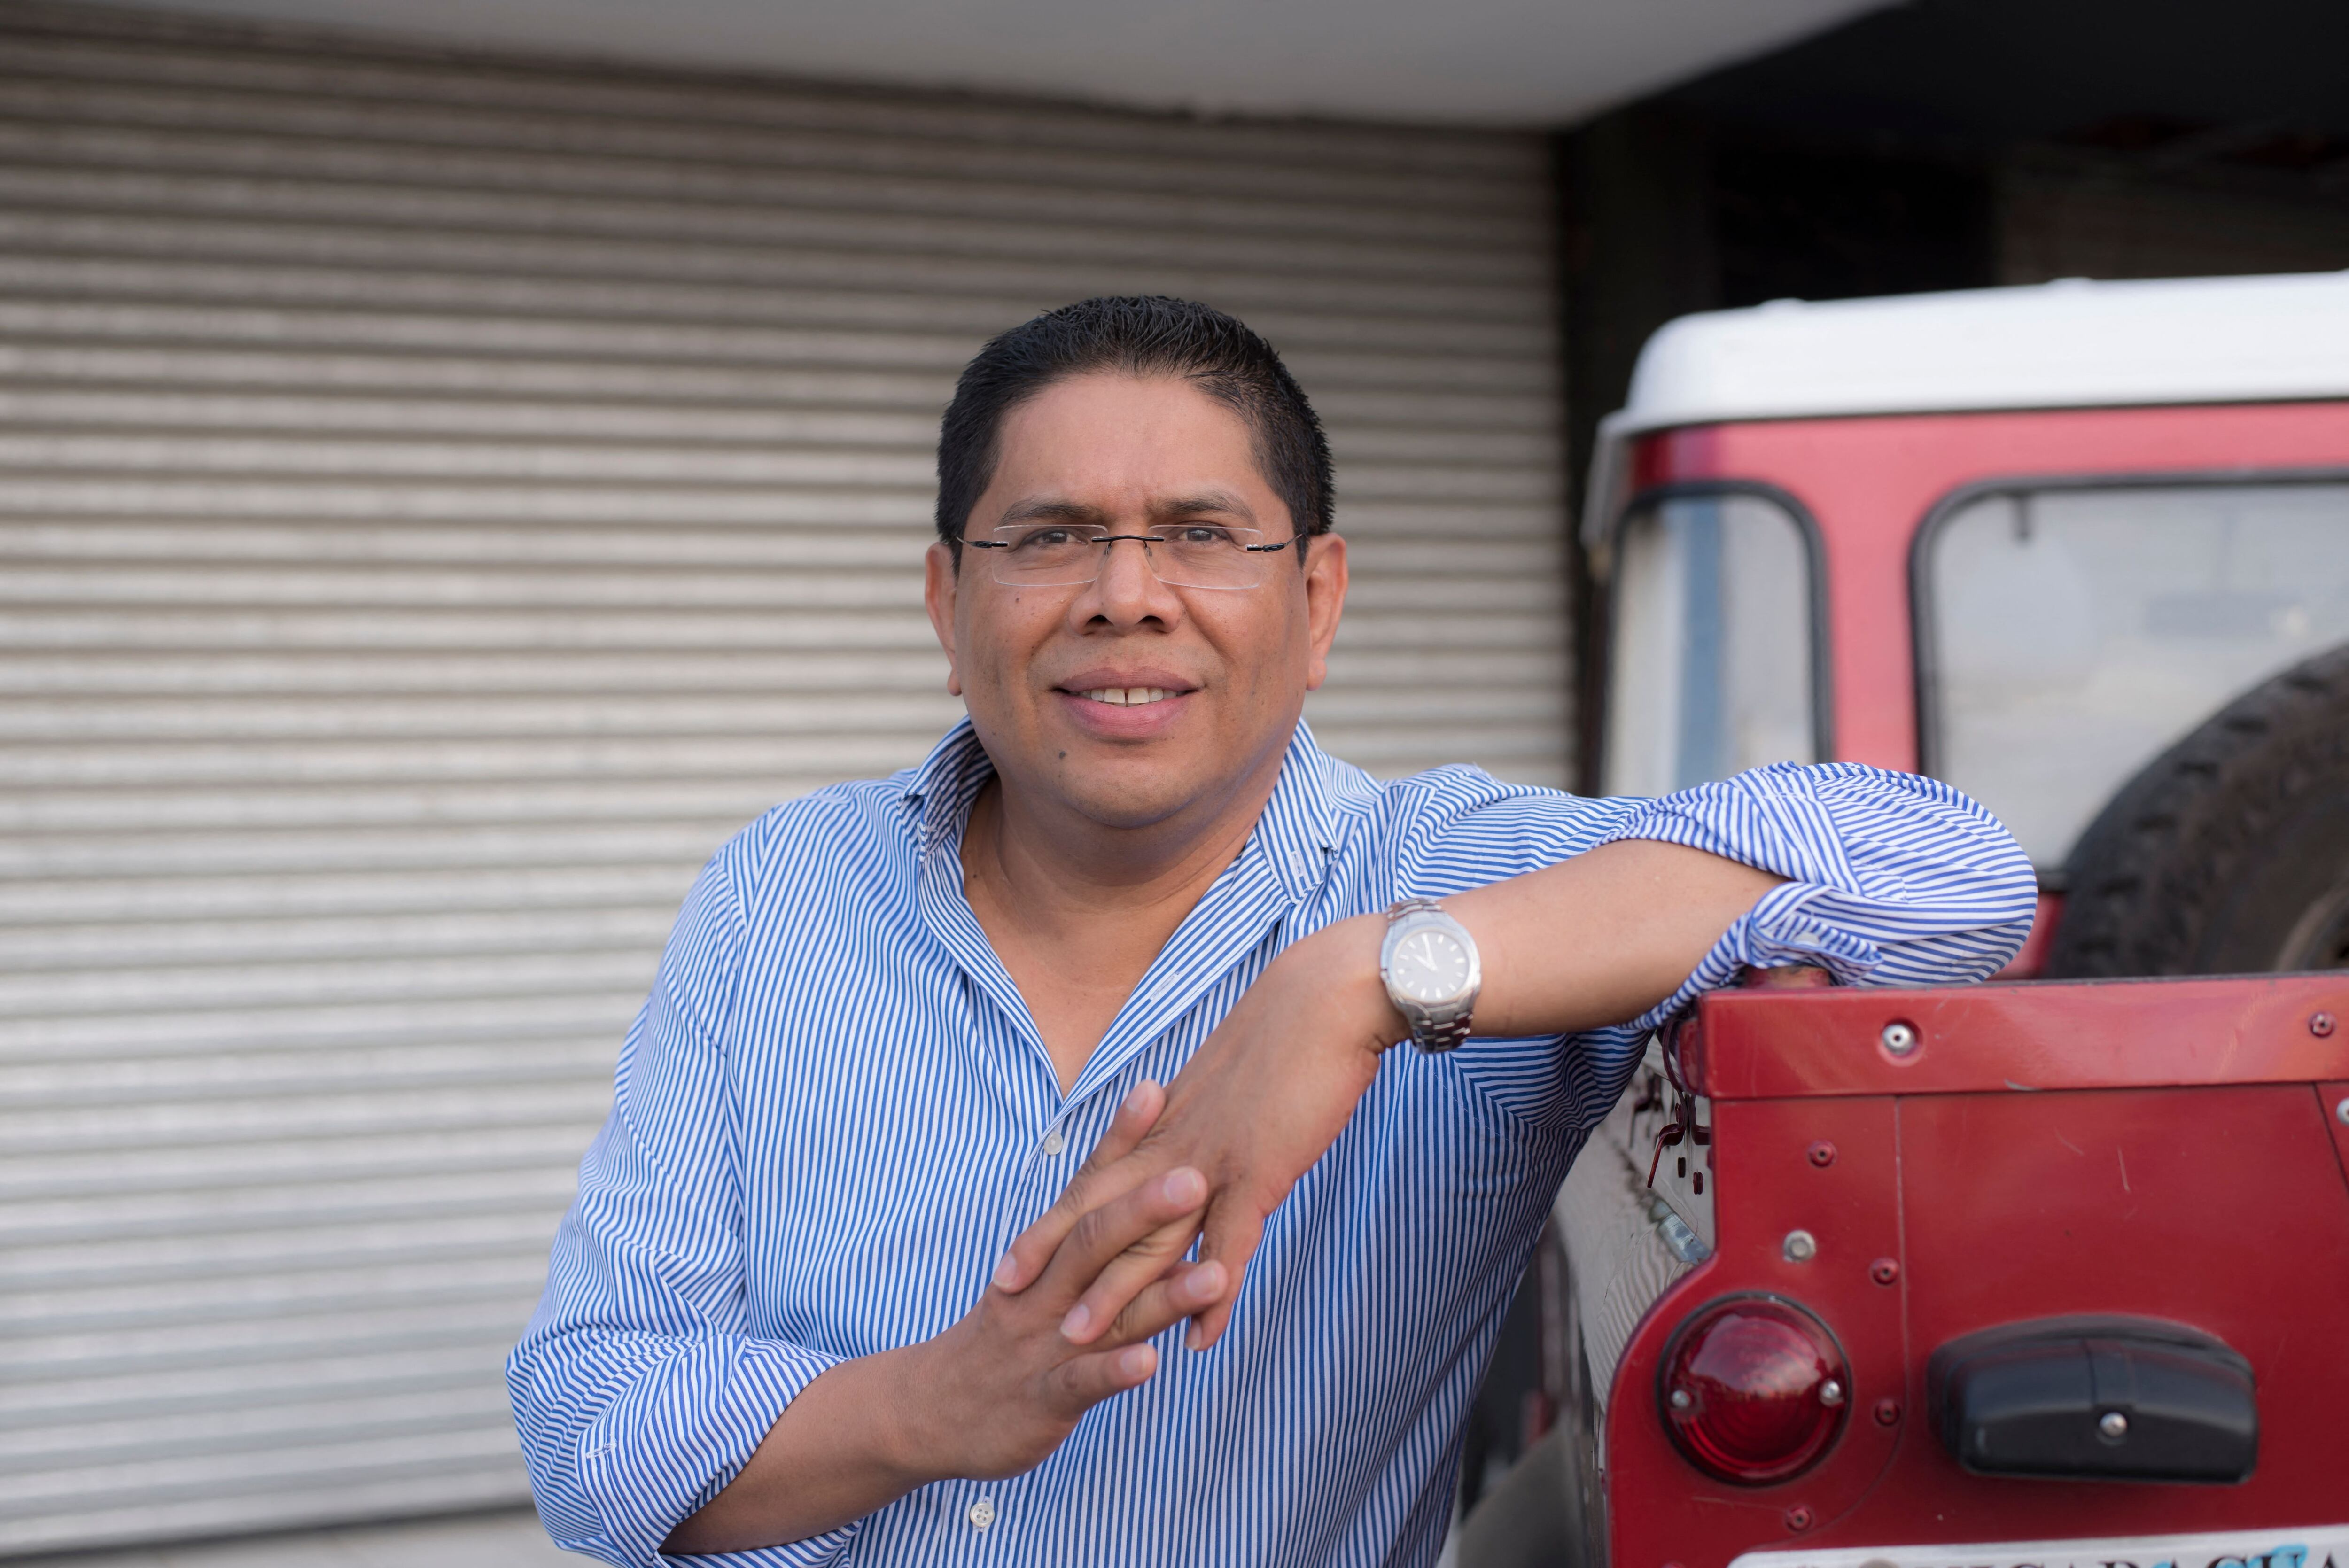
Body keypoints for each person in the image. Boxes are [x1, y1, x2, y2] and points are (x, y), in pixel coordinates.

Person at [508, 296, 2032, 1567]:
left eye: (1200, 534)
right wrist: (940, 1404)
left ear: (1317, 601)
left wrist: (1360, 982)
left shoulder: (1442, 877)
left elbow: (1948, 874)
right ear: (943, 600)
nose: (1124, 597)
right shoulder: (780, 890)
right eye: (1049, 536)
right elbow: (593, 1421)